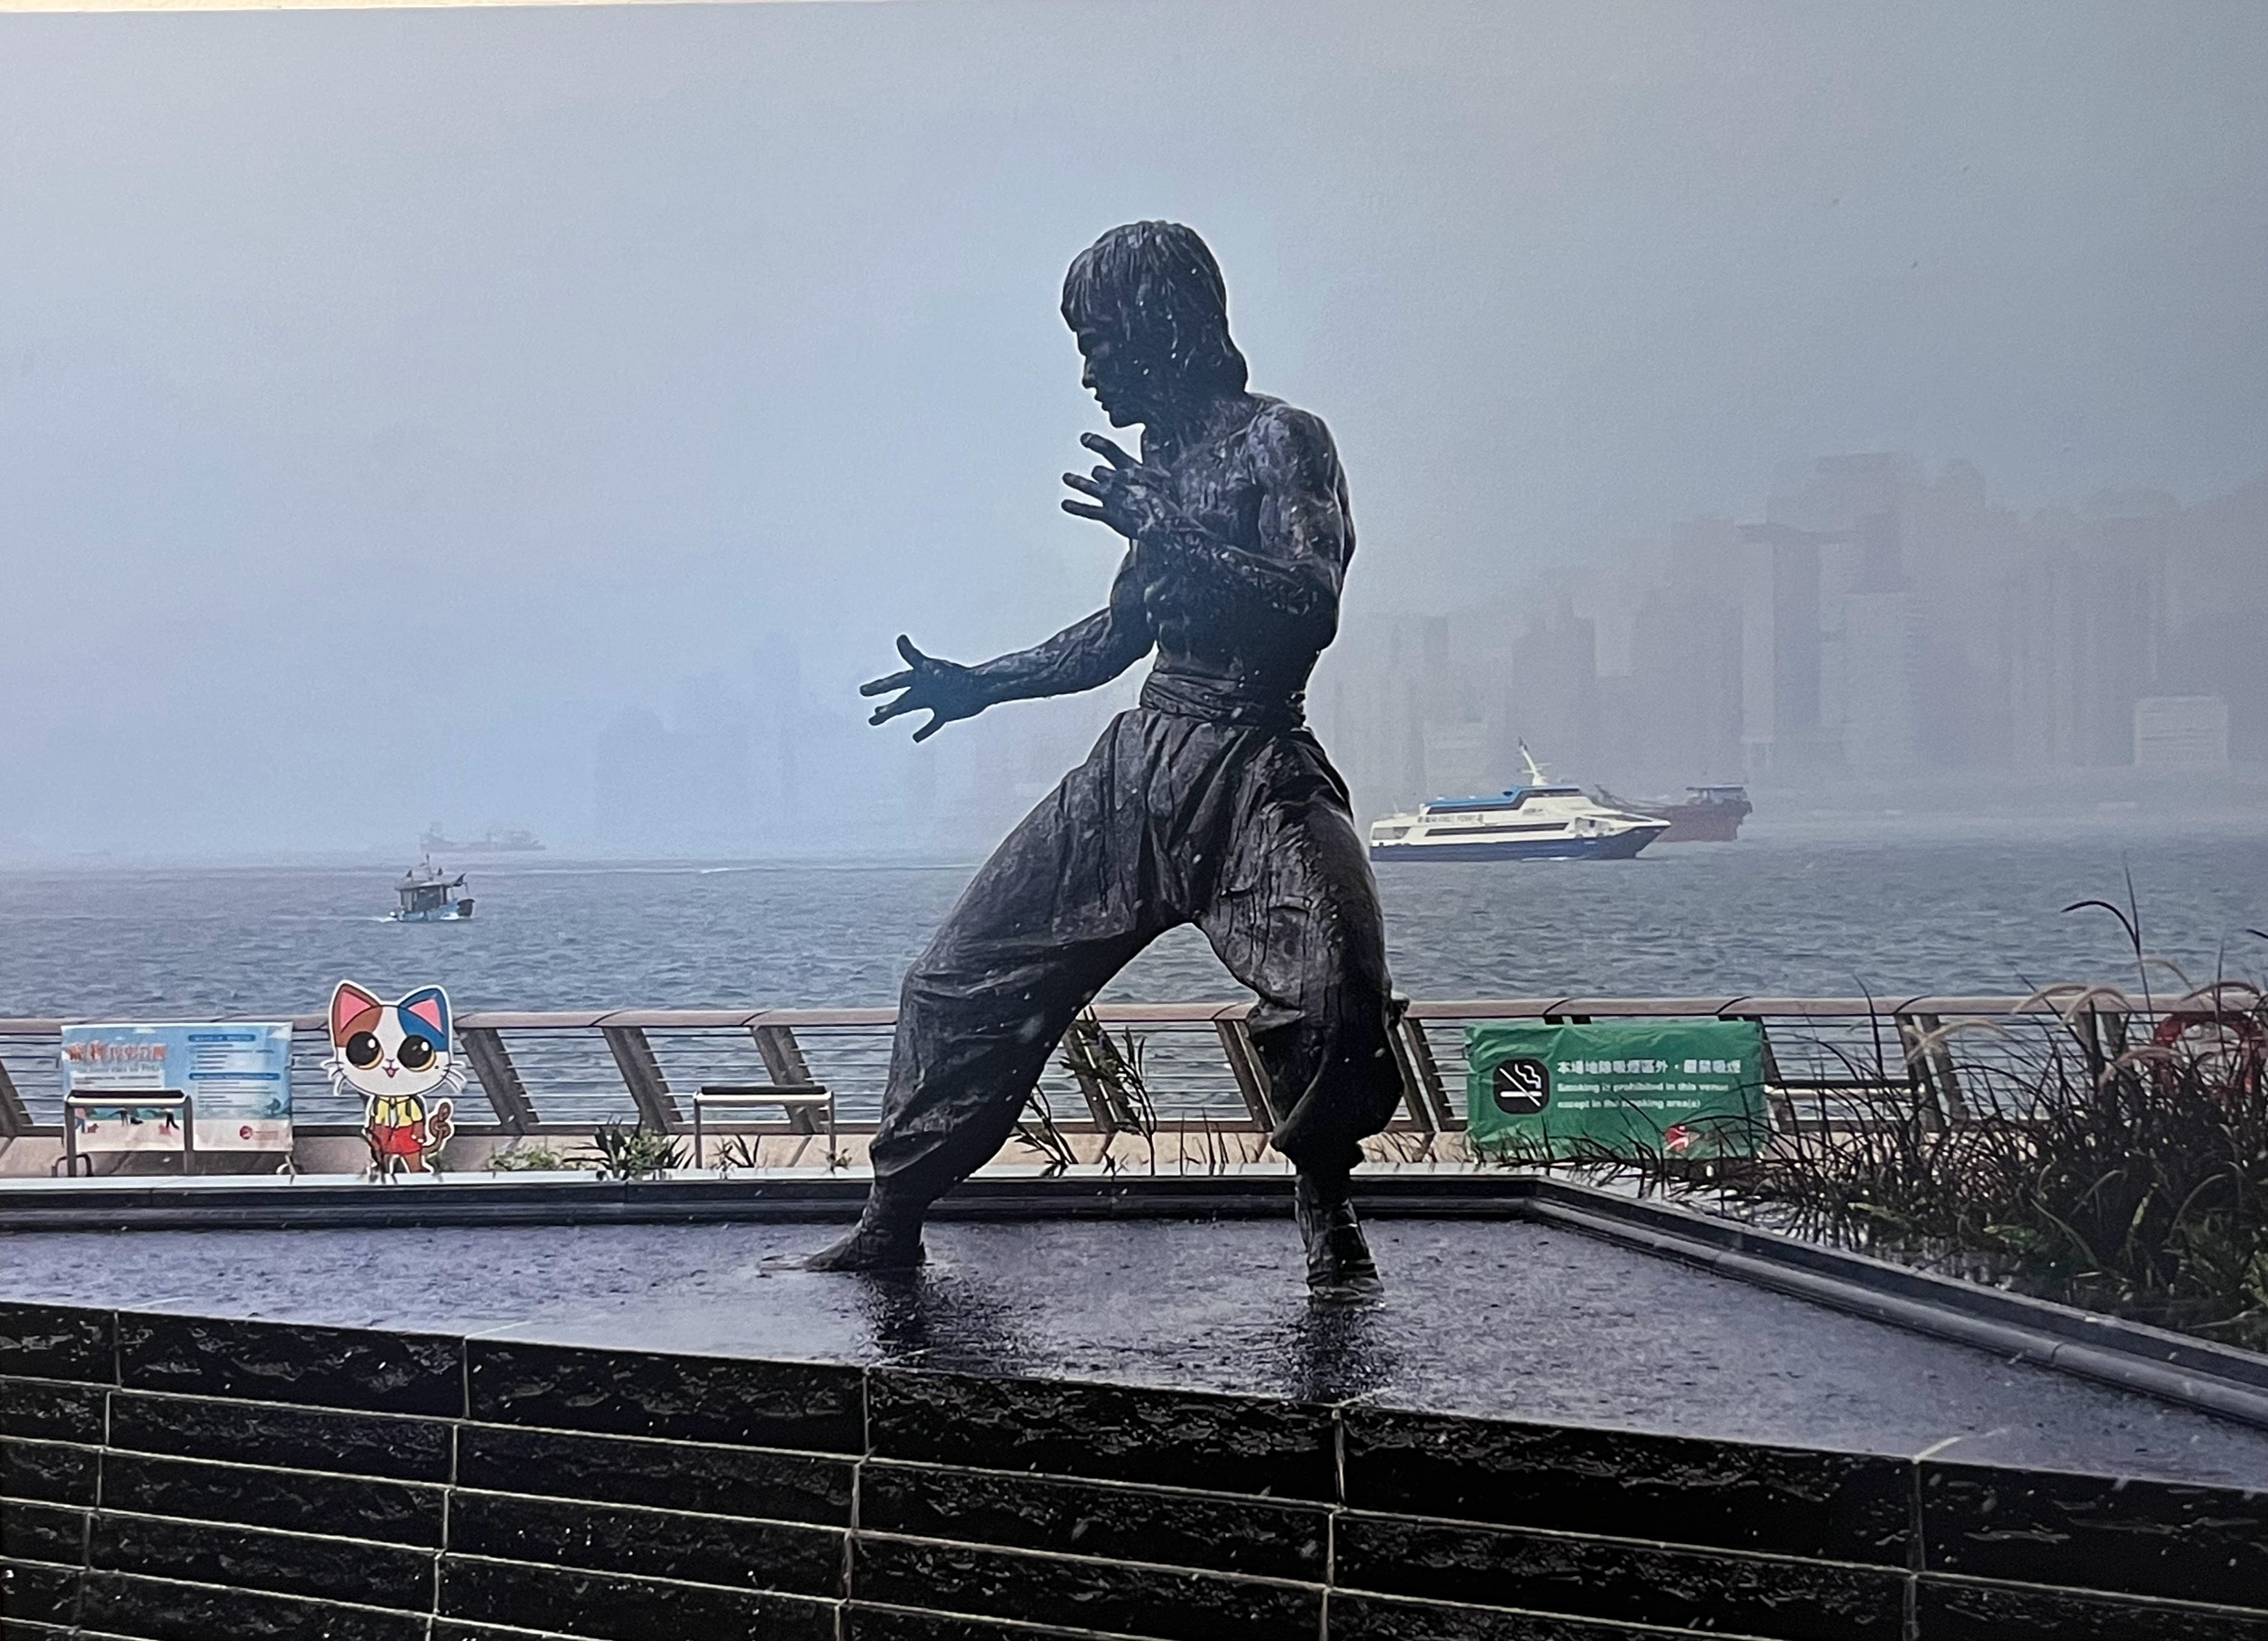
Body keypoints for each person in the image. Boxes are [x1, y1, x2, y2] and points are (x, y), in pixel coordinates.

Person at [810, 221, 1404, 1296]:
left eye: (1100, 342)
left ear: (1168, 335)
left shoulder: (1284, 441)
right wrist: (980, 680)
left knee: (1335, 990)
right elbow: (1121, 631)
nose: (1087, 373)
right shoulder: (1164, 466)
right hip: (1140, 766)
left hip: (1255, 761)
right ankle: (890, 1217)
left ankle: (1329, 1213)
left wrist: (1169, 528)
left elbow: (1310, 605)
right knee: (955, 980)